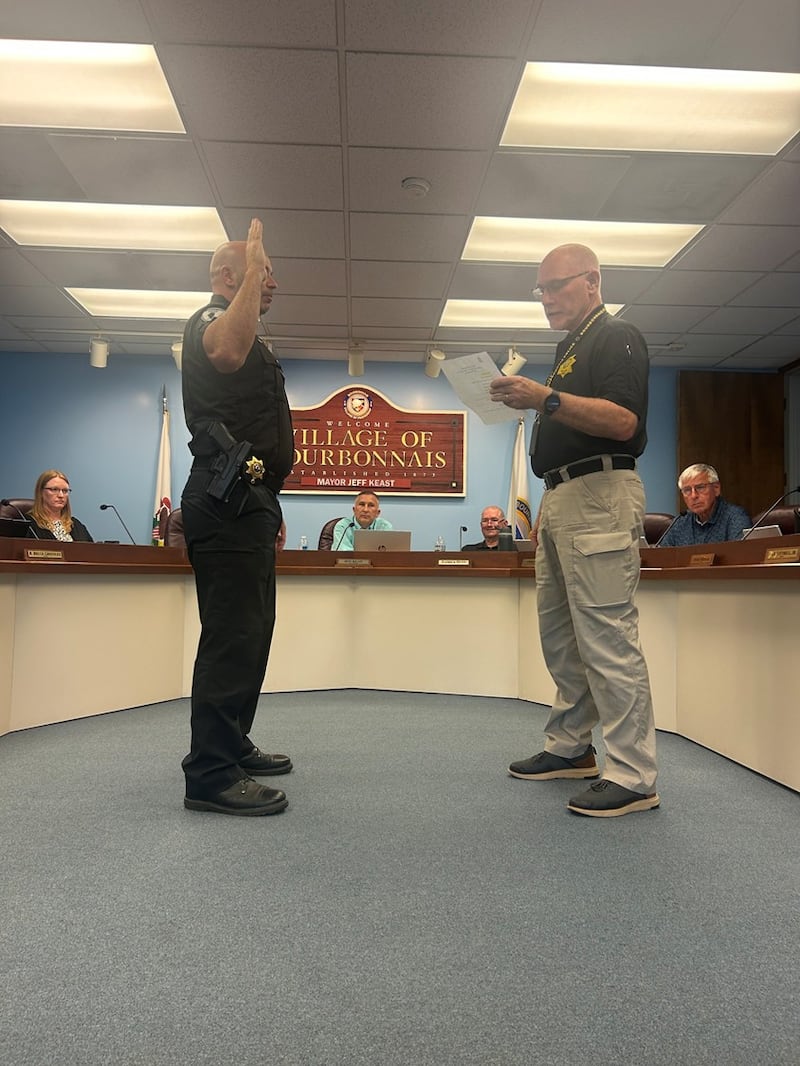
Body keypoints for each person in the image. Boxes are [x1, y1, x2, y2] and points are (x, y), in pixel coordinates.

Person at [489, 243, 659, 818]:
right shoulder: (569, 348)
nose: (546, 299)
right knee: (561, 635)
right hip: (562, 497)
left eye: (555, 286)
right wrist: (546, 505)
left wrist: (544, 397)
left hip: (601, 494)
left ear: (592, 282)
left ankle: (634, 774)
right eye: (540, 290)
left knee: (608, 637)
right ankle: (571, 747)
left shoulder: (619, 335)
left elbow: (623, 420)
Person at [180, 218, 294, 817]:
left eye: (270, 273)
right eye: (259, 272)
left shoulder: (248, 327)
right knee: (232, 637)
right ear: (226, 276)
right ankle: (210, 773)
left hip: (249, 500)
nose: (271, 282)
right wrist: (253, 268)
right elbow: (227, 352)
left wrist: (268, 501)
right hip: (224, 499)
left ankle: (233, 743)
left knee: (254, 633)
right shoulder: (210, 322)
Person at [656, 463, 750, 546]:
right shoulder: (680, 522)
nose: (693, 496)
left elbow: (740, 556)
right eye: (687, 490)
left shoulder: (735, 517)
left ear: (716, 488)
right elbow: (663, 556)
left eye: (700, 487)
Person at [27, 470, 93, 541]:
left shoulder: (76, 524)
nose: (61, 495)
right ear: (40, 492)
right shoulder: (29, 524)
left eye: (65, 491)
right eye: (54, 489)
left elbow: (92, 550)